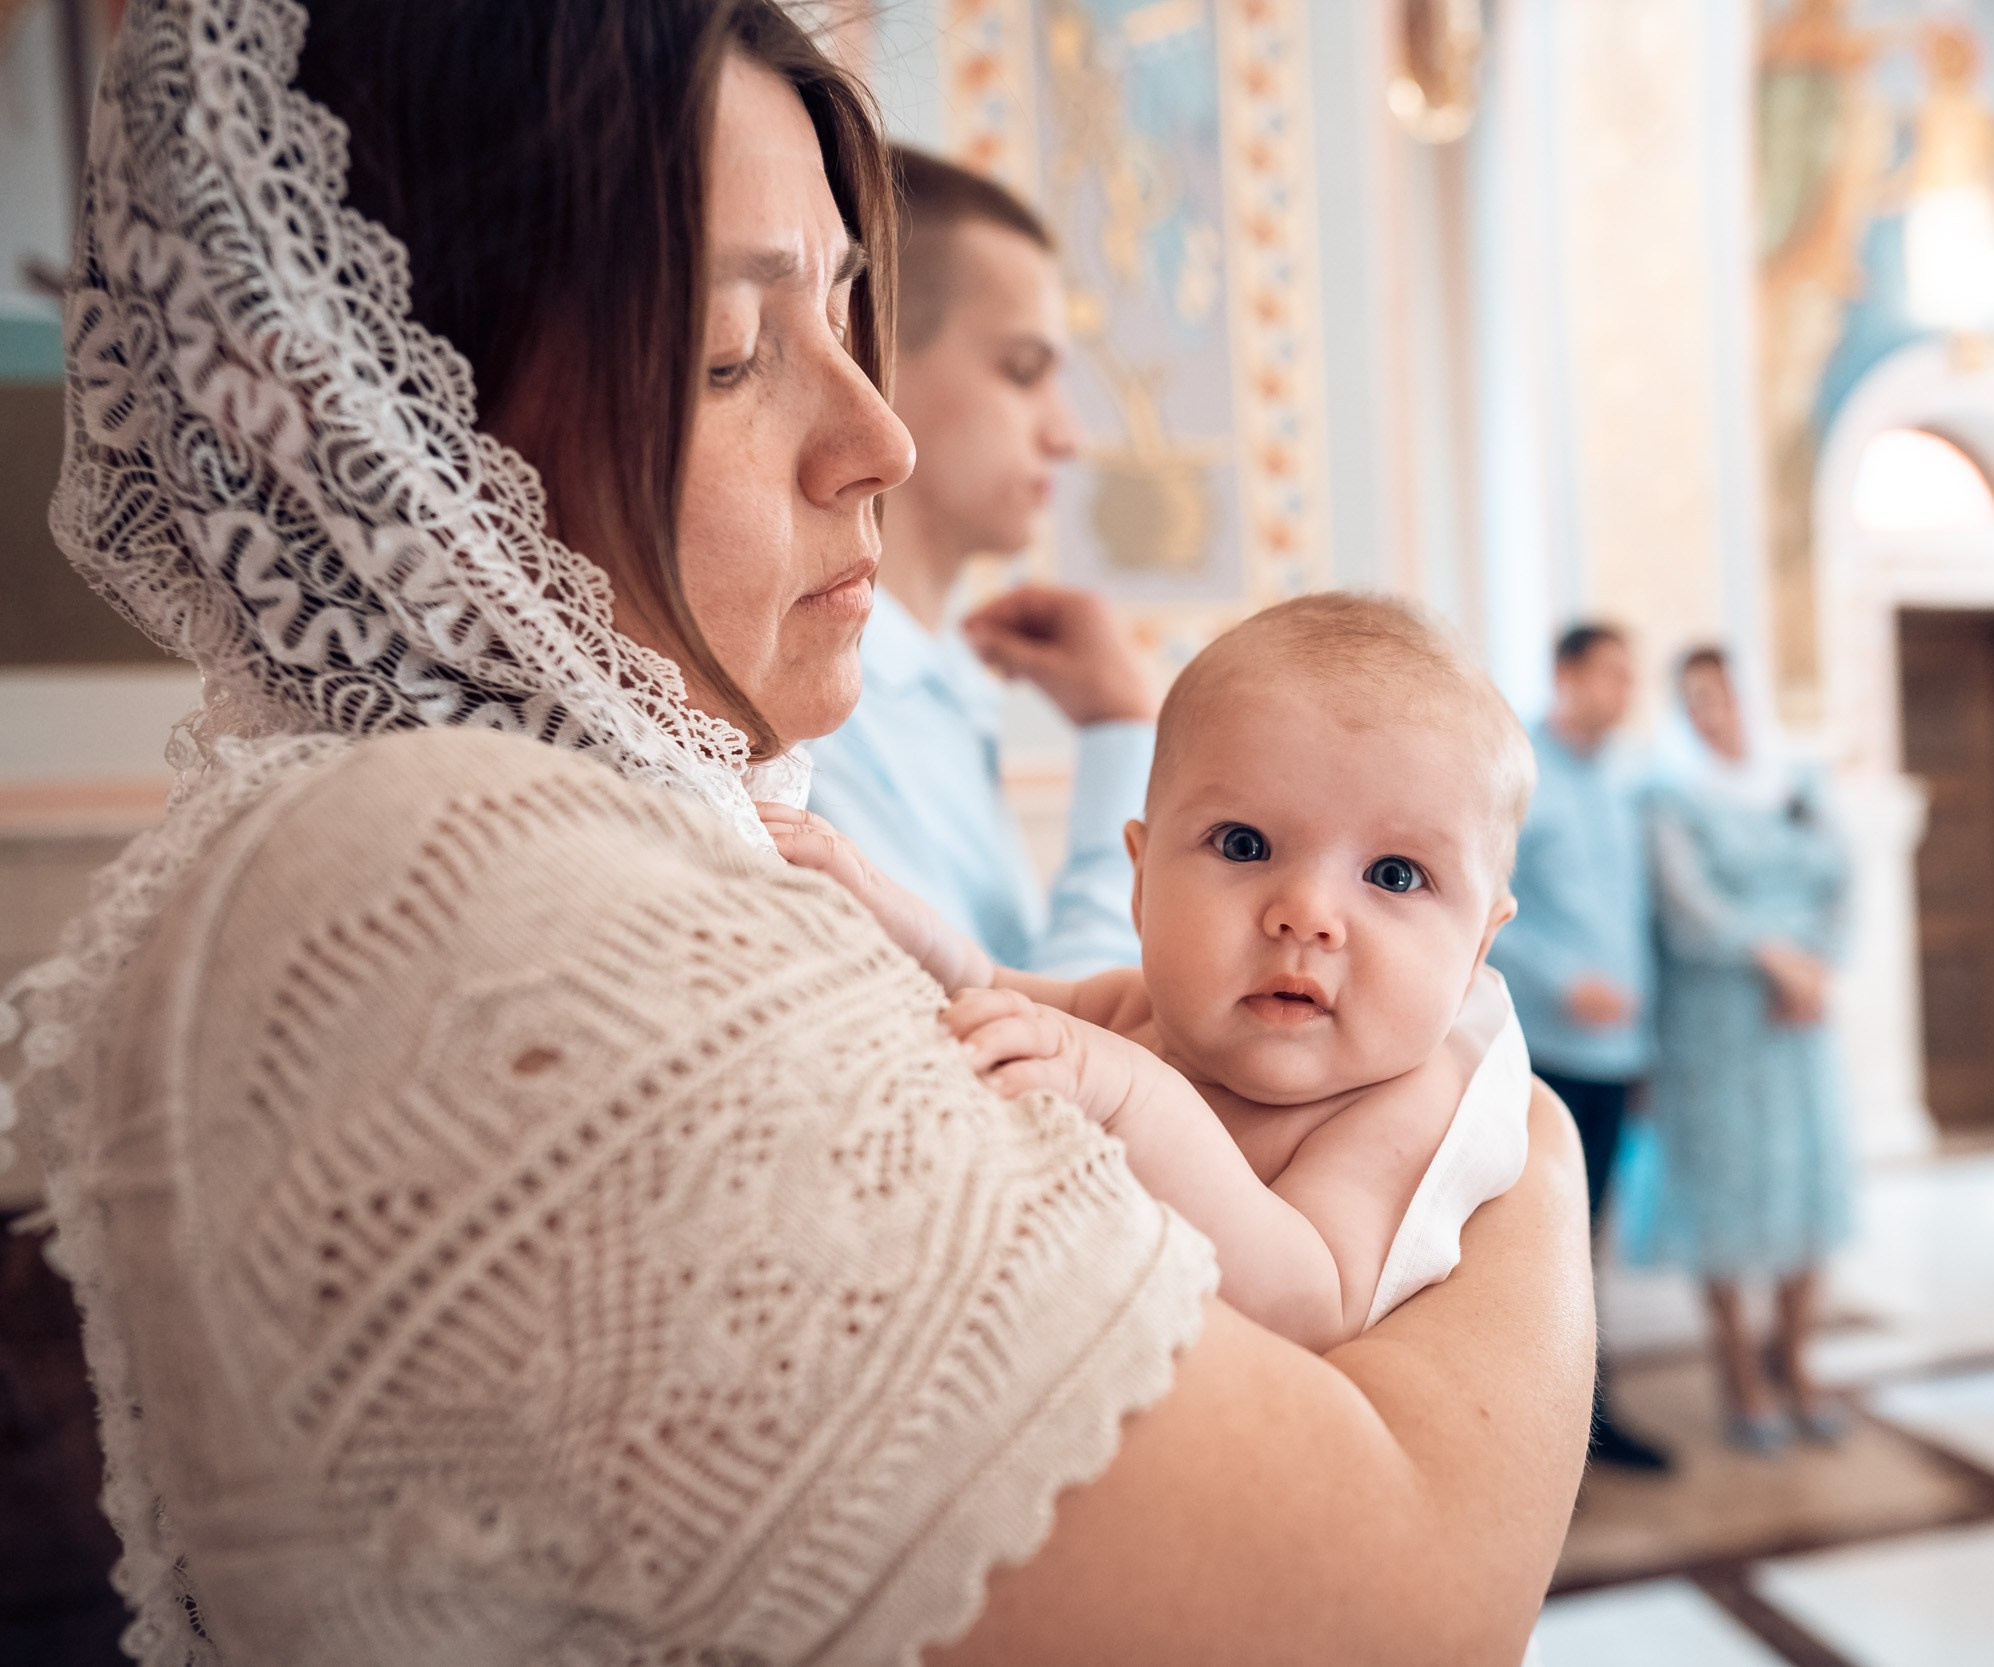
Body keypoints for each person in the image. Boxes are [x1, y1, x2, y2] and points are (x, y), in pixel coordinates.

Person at [1, 4, 1594, 1662]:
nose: (879, 438)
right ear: (384, 417)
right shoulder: (483, 897)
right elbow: (1386, 1609)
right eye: (728, 352)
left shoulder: (625, 834)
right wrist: (1496, 1109)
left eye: (844, 309)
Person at [771, 595, 1535, 1352]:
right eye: (1243, 844)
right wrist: (889, 911)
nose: (1304, 914)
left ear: (1476, 950)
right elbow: (990, 984)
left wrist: (1136, 1096)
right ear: (1140, 885)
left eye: (1395, 875)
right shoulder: (1144, 1012)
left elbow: (1311, 1298)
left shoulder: (1408, 1105)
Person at [806, 147, 1152, 976]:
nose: (1066, 434)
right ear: (870, 348)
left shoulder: (946, 683)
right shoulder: (815, 714)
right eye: (1022, 371)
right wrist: (1127, 740)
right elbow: (1031, 1049)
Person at [1642, 646, 1855, 1452]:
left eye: (1721, 693)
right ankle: (1739, 1370)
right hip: (1717, 1016)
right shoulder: (1671, 796)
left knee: (1809, 1180)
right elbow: (1687, 905)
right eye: (1692, 697)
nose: (1710, 710)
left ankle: (1796, 1358)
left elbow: (1844, 881)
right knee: (1726, 1188)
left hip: (1799, 1016)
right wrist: (1773, 956)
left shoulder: (1799, 782)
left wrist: (1818, 971)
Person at [1489, 622, 1676, 1472]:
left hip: (1618, 1054)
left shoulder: (1625, 782)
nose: (1623, 691)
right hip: (1548, 1049)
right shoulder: (1518, 775)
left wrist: (1647, 1043)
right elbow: (1489, 902)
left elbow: (1636, 920)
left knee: (1592, 1232)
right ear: (1565, 674)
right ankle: (1539, 1426)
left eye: (1629, 676)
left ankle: (1590, 1417)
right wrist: (1568, 981)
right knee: (1541, 1237)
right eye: (1609, 673)